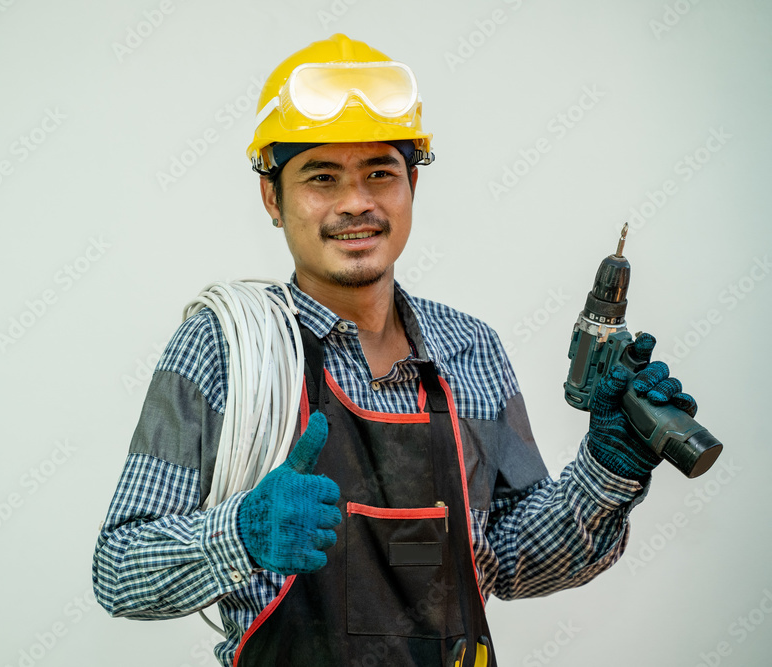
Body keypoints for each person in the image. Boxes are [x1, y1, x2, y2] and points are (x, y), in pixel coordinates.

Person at [92, 34, 699, 666]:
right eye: (321, 177)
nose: (356, 203)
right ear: (272, 197)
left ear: (412, 183)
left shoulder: (470, 349)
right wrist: (240, 535)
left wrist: (608, 469)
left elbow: (516, 559)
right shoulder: (225, 348)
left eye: (379, 173)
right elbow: (118, 569)